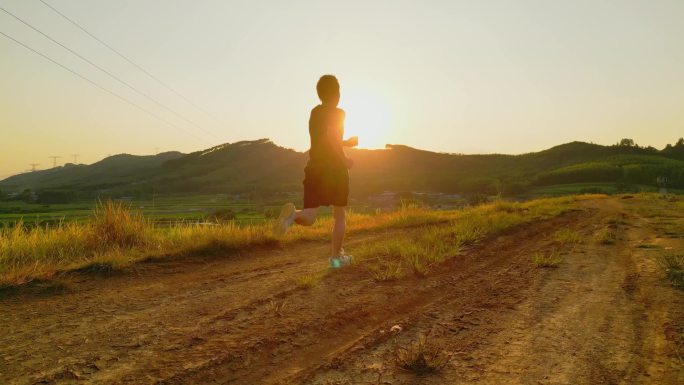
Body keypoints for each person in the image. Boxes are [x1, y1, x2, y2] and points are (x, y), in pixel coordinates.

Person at [273, 74, 358, 268]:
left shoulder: (315, 112)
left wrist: (347, 142)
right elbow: (332, 135)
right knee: (339, 215)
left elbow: (326, 139)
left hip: (314, 168)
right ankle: (336, 258)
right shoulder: (338, 113)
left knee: (310, 216)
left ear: (319, 94)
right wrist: (345, 159)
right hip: (334, 171)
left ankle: (292, 216)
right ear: (337, 93)